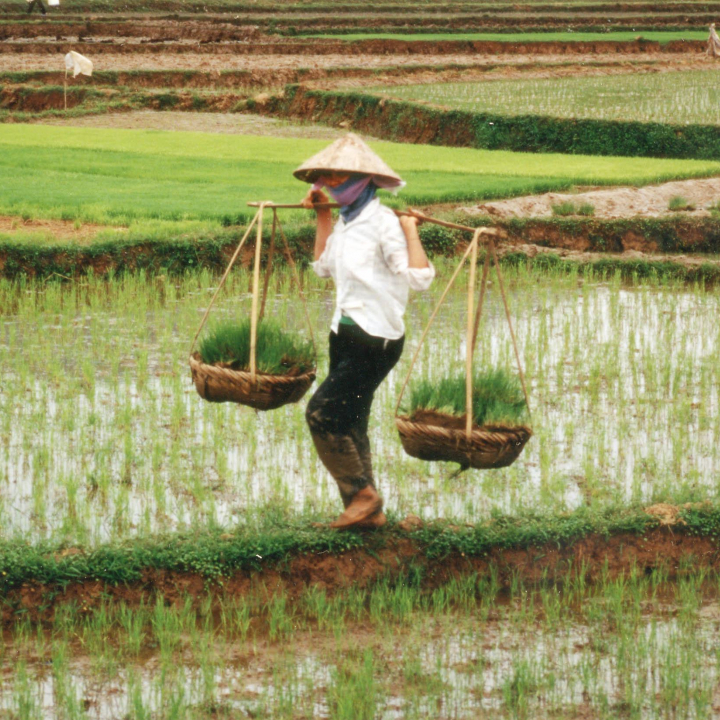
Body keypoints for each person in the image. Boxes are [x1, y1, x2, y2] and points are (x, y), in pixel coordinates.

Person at [296, 133, 435, 530]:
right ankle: (365, 511)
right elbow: (323, 267)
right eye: (326, 178)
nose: (329, 184)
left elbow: (420, 278)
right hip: (343, 333)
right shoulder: (344, 222)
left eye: (338, 178)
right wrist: (323, 214)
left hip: (376, 339)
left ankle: (362, 495)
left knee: (321, 414)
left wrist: (410, 230)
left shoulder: (382, 223)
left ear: (362, 180)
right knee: (350, 420)